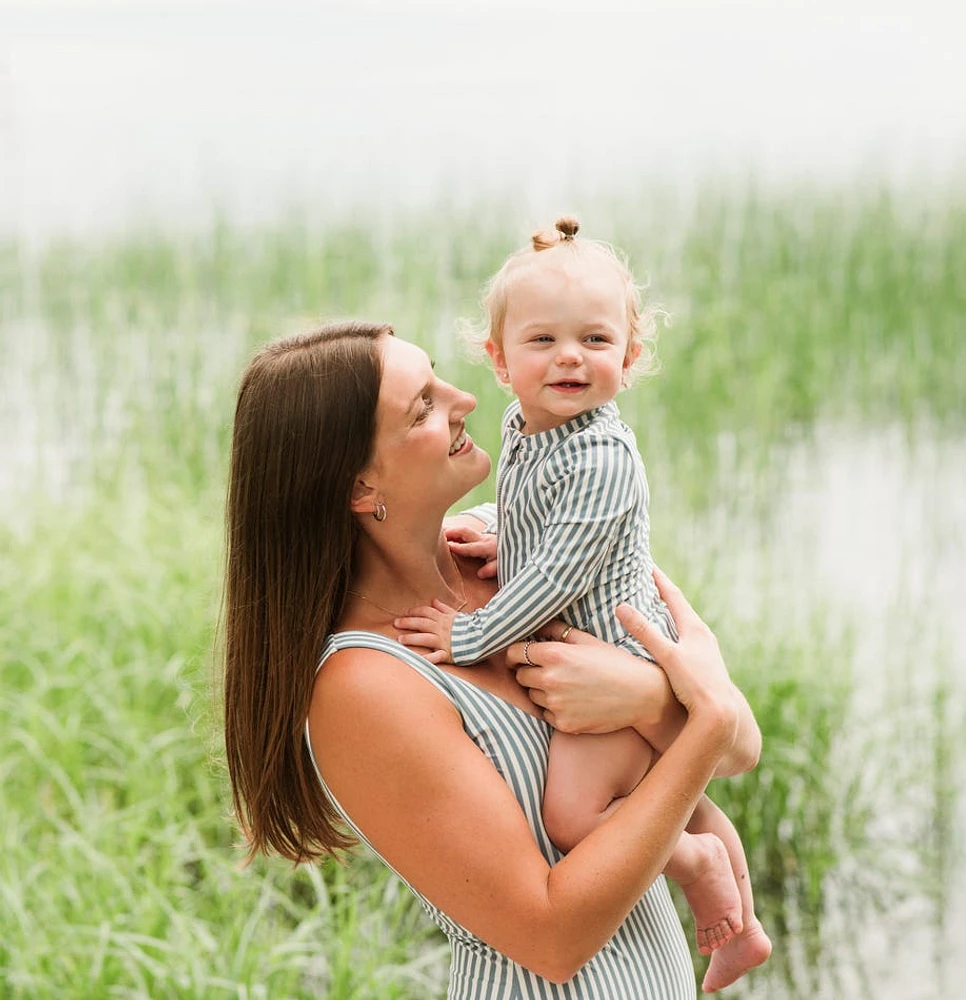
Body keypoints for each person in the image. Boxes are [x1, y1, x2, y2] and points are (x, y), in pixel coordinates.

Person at [223, 320, 763, 999]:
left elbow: (741, 746)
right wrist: (700, 721)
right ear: (361, 488)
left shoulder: (525, 544)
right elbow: (551, 939)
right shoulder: (364, 684)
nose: (465, 400)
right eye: (423, 405)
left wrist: (651, 700)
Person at [397, 217, 771, 993]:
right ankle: (741, 924)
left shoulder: (603, 456)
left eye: (596, 342)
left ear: (629, 361)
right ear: (500, 361)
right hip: (614, 654)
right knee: (670, 791)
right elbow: (547, 538)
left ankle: (697, 866)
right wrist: (518, 541)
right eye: (543, 342)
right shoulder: (525, 428)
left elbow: (553, 583)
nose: (570, 356)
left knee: (577, 814)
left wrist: (471, 634)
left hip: (619, 649)